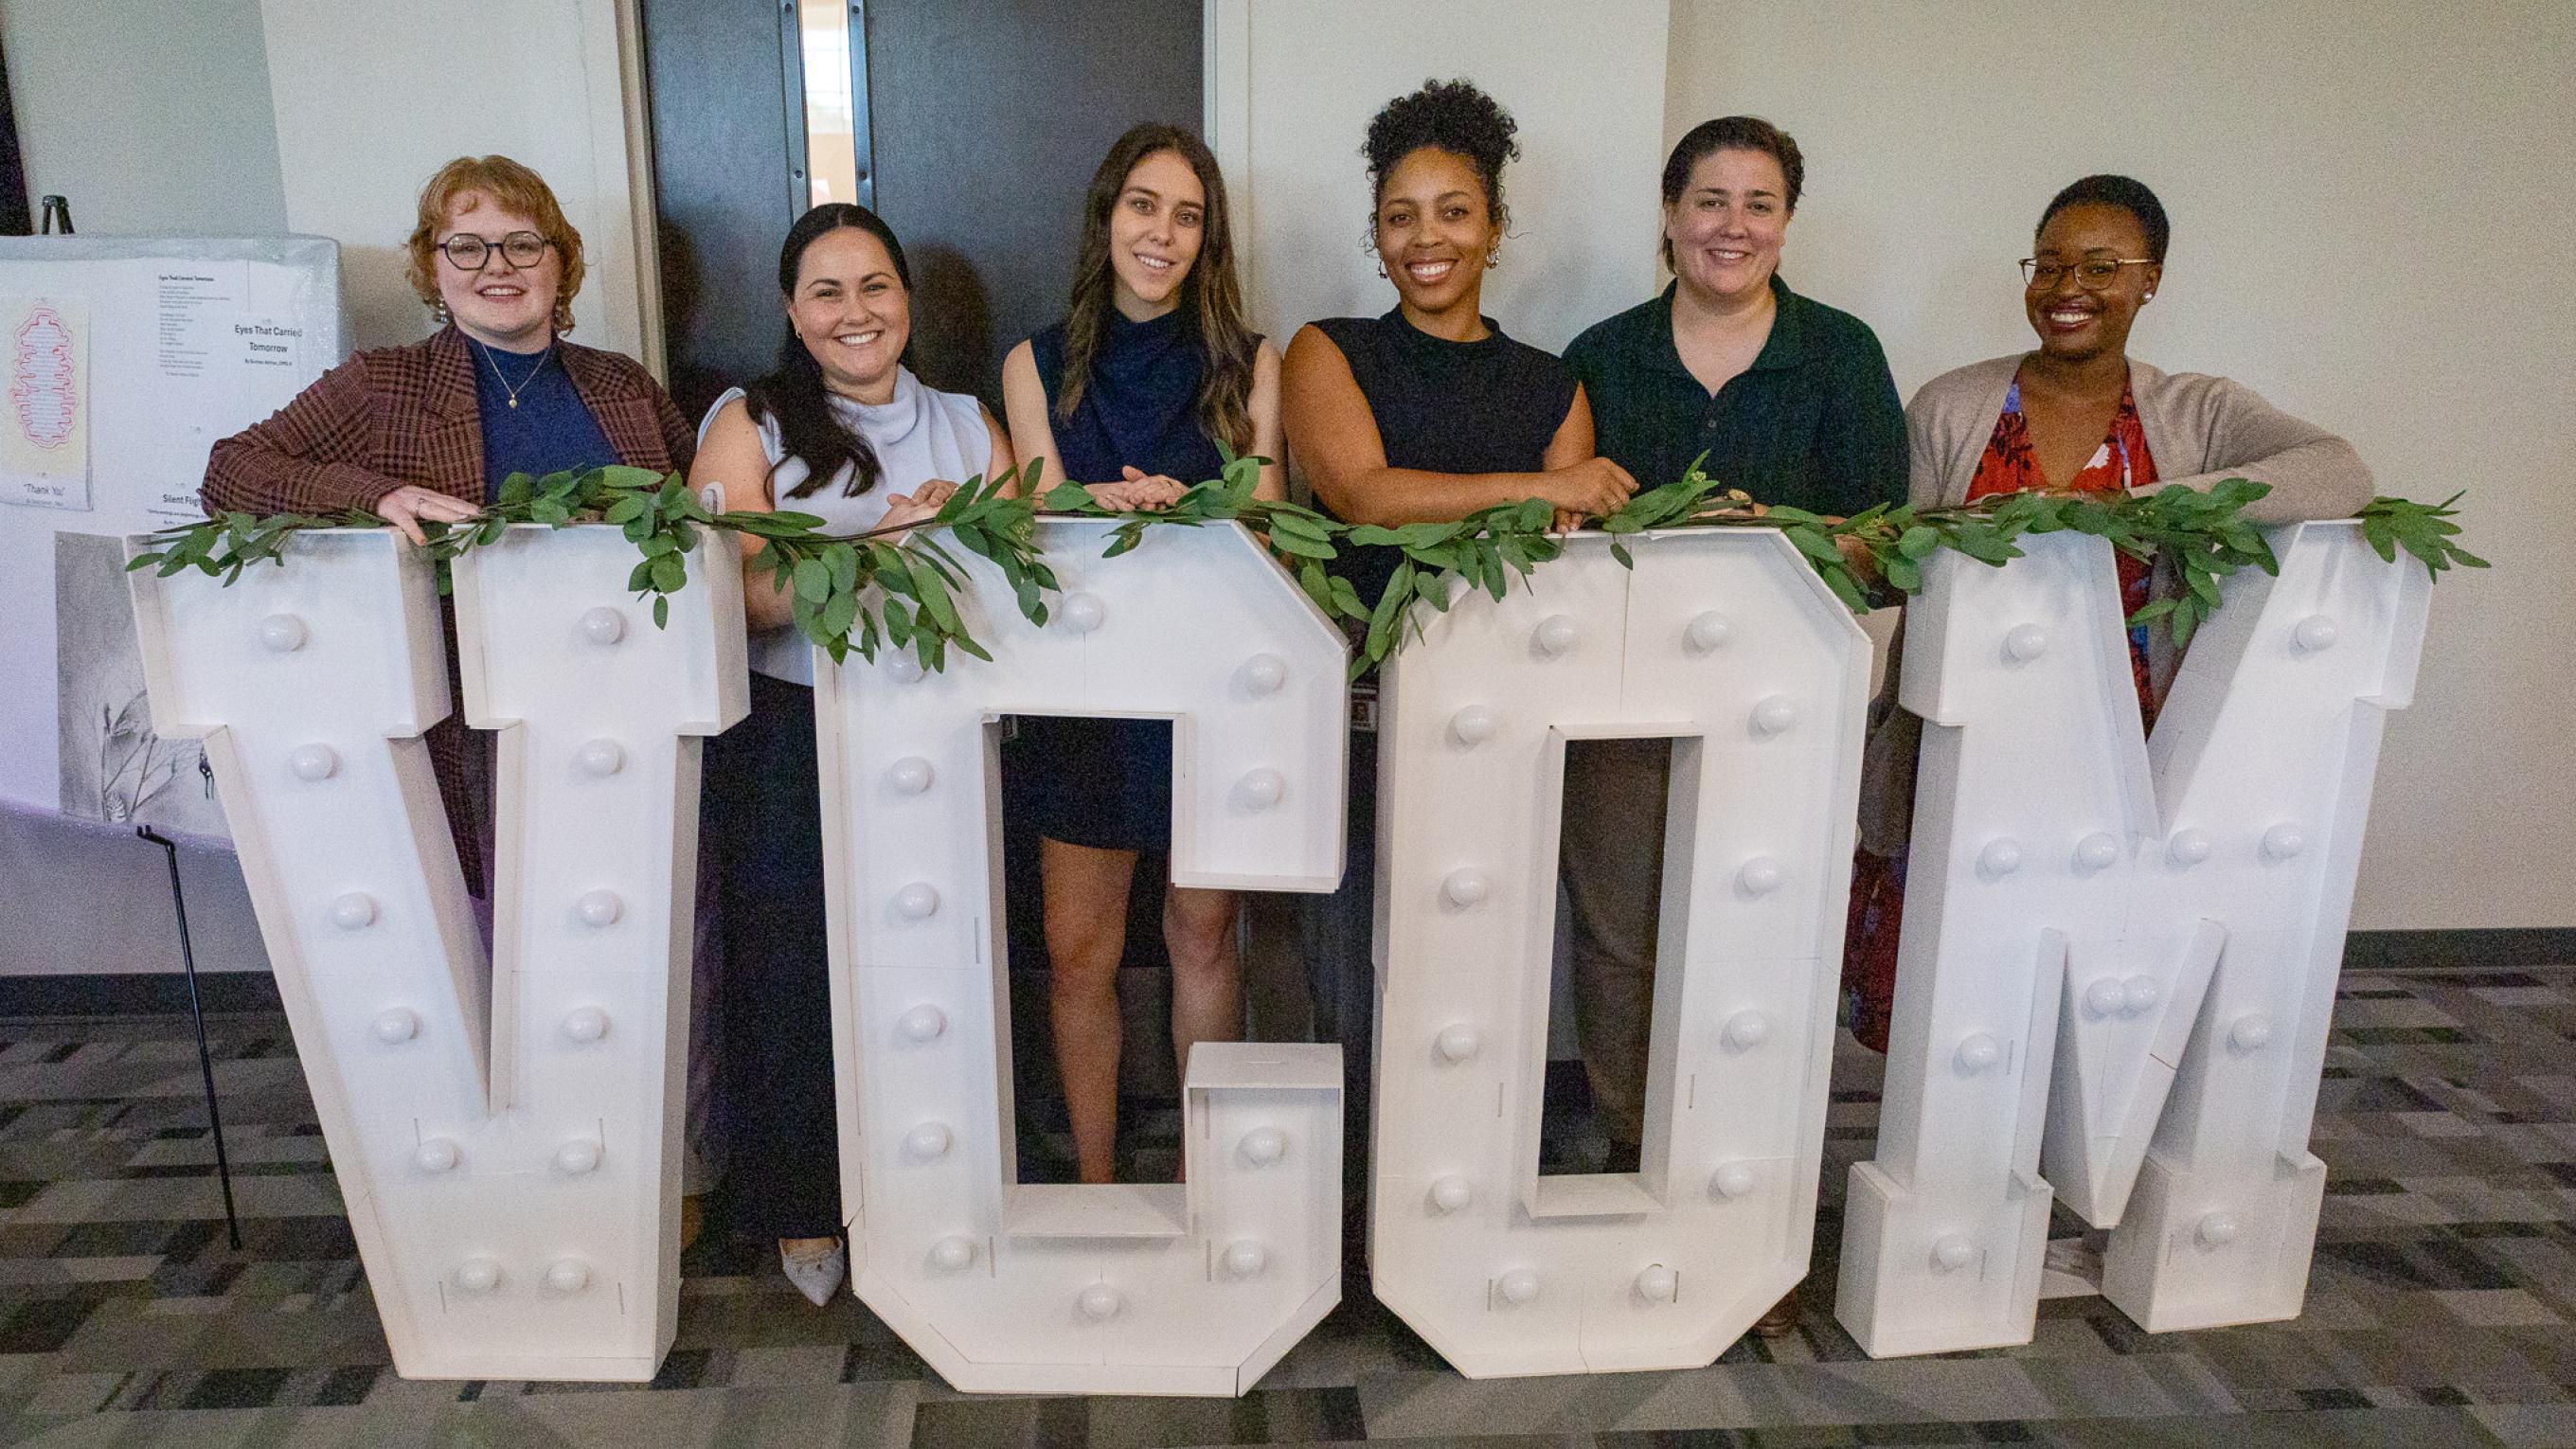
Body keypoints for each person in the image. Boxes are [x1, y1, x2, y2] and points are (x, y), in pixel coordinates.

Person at [199, 157, 725, 1248]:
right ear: (434, 267)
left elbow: (702, 526)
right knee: (509, 951)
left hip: (629, 716)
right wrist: (372, 494)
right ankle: (541, 1183)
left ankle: (669, 1176)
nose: (499, 267)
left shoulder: (622, 387)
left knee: (657, 947)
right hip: (474, 727)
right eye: (468, 246)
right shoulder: (385, 386)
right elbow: (231, 470)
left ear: (559, 262)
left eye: (522, 244)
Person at [1847, 172, 2373, 1050]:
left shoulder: (2194, 411)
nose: (2067, 290)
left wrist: (2145, 507)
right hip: (1961, 748)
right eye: (2047, 265)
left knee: (2094, 1005)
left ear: (2150, 279)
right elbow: (1907, 569)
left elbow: (2343, 473)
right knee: (1952, 1018)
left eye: (2101, 267)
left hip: (2126, 750)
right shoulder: (1951, 406)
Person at [1561, 113, 1905, 1340]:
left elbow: (1885, 539)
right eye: (1710, 199)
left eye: (1758, 202)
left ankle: (1746, 1201)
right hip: (1621, 695)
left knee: (1764, 944)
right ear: (1668, 214)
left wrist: (1783, 536)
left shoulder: (1842, 354)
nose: (1731, 225)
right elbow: (1556, 524)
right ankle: (1633, 1148)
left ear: (1786, 222)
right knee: (1618, 931)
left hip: (1782, 711)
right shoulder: (1601, 353)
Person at [1281, 78, 1634, 1257]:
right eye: (1399, 215)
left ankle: (1458, 1208)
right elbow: (1364, 500)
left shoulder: (1552, 384)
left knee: (1481, 967)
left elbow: (1563, 572)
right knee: (1354, 968)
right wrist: (1543, 484)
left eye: (1451, 212)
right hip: (1362, 711)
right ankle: (1349, 1226)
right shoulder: (1324, 351)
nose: (1425, 238)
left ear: (1494, 228)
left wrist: (1559, 493)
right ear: (1374, 236)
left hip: (1502, 721)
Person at [689, 203, 1014, 1304]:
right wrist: (882, 541)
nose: (854, 311)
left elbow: (1027, 586)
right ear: (790, 308)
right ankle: (803, 1211)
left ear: (906, 301)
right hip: (795, 741)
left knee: (943, 966)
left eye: (874, 285)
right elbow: (733, 597)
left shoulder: (970, 424)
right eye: (825, 291)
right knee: (796, 977)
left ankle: (945, 1192)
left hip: (945, 734)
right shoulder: (751, 420)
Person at [998, 123, 1283, 1185]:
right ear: (1104, 217)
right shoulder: (1030, 362)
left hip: (1214, 688)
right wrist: (1091, 506)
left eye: (1186, 215)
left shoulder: (1255, 362)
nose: (1160, 233)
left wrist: (1201, 513)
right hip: (1084, 688)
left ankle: (1214, 1182)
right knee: (1081, 955)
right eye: (1141, 206)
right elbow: (1030, 515)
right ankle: (1096, 1185)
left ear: (1207, 239)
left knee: (1203, 937)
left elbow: (1270, 528)